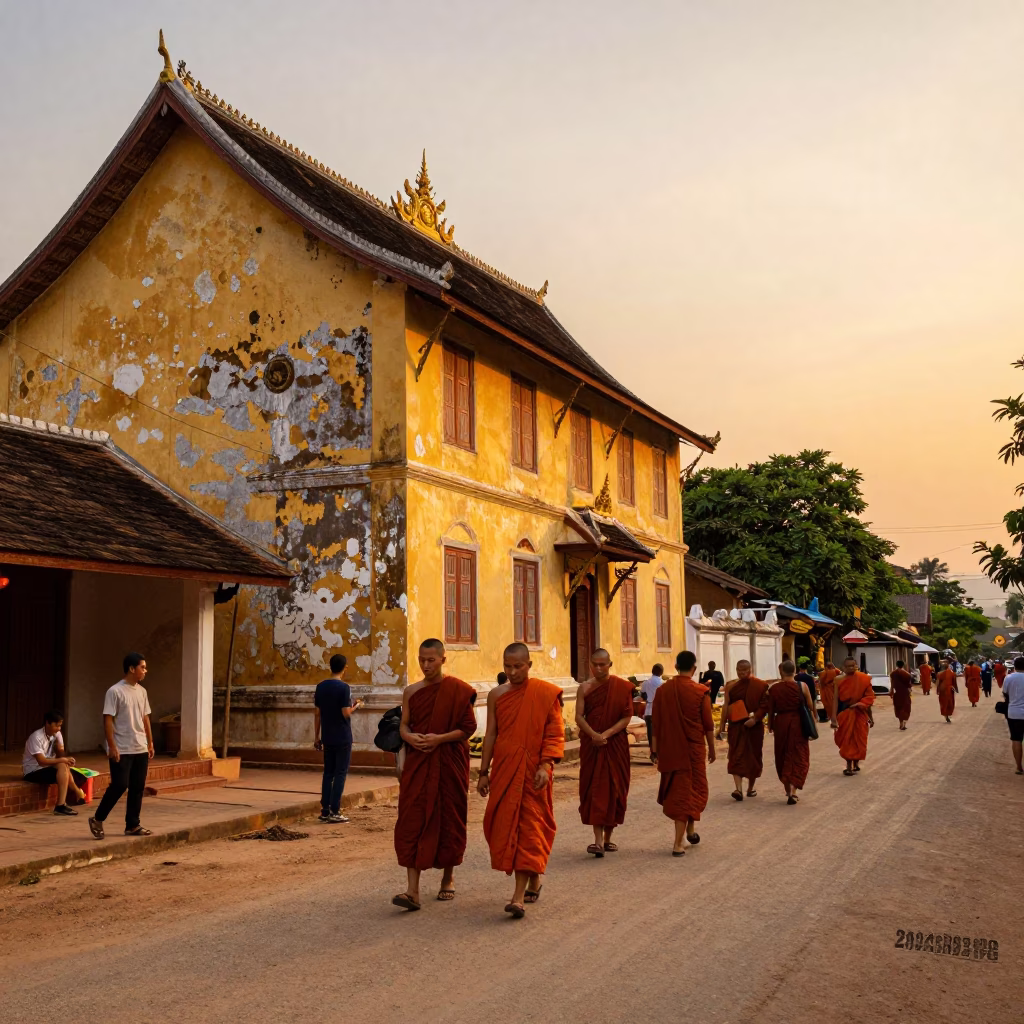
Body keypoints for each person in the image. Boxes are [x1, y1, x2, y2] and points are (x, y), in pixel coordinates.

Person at [478, 643, 564, 919]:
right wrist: (483, 771)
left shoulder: (544, 694)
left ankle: (517, 897)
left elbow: (554, 732)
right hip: (505, 769)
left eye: (518, 666)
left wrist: (546, 764)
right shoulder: (496, 695)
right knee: (505, 825)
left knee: (529, 828)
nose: (513, 672)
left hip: (534, 772)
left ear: (529, 665)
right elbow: (491, 734)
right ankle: (533, 879)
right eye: (508, 666)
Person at [391, 639, 477, 911]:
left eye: (431, 660)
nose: (426, 665)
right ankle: (412, 891)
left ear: (443, 659)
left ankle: (448, 877)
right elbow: (403, 727)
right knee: (411, 819)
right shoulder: (412, 691)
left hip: (448, 762)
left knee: (449, 819)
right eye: (422, 660)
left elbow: (467, 728)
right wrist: (410, 738)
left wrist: (438, 739)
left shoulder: (458, 690)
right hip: (419, 763)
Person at [651, 650, 715, 855]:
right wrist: (712, 749)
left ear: (676, 667)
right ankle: (678, 843)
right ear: (694, 669)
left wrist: (654, 749)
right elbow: (708, 725)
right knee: (686, 794)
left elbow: (656, 723)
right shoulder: (700, 692)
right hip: (693, 749)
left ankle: (690, 829)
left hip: (670, 749)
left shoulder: (662, 691)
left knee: (685, 792)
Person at [88, 653, 155, 840]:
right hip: (122, 747)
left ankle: (133, 825)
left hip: (140, 746)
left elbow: (145, 717)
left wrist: (150, 742)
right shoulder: (115, 691)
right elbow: (108, 719)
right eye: (142, 667)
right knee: (119, 785)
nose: (145, 671)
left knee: (137, 787)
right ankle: (97, 818)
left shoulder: (142, 692)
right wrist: (112, 746)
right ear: (132, 669)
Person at [575, 649, 633, 857]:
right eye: (595, 665)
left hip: (614, 743)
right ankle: (598, 841)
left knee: (616, 788)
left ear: (610, 664)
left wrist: (606, 734)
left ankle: (608, 838)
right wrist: (593, 735)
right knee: (595, 789)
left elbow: (626, 717)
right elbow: (579, 717)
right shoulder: (585, 688)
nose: (598, 668)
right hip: (593, 744)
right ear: (590, 665)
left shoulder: (622, 687)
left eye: (603, 664)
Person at [314, 654, 363, 824]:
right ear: (345, 668)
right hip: (342, 736)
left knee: (328, 773)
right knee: (340, 773)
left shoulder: (320, 687)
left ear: (330, 667)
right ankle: (335, 810)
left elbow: (317, 714)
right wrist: (356, 706)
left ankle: (325, 810)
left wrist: (316, 736)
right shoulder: (344, 688)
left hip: (327, 736)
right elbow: (345, 712)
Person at [716, 659, 768, 800]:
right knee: (735, 755)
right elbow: (726, 706)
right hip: (736, 726)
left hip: (754, 727)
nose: (741, 673)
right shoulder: (731, 686)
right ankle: (738, 789)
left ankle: (750, 788)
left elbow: (765, 705)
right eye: (739, 670)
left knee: (754, 757)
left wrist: (755, 718)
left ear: (750, 670)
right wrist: (722, 725)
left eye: (744, 671)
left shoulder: (760, 685)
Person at [22, 710, 88, 815]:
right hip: (34, 771)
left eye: (60, 726)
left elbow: (61, 753)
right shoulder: (36, 737)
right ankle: (62, 804)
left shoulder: (57, 734)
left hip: (49, 767)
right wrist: (62, 760)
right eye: (56, 726)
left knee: (75, 773)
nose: (59, 729)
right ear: (47, 723)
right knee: (62, 766)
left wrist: (65, 757)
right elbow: (42, 762)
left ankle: (73, 796)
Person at [766, 660, 814, 804]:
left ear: (781, 671)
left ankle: (787, 790)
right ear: (795, 671)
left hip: (781, 722)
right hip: (798, 722)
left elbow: (771, 710)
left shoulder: (773, 689)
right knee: (798, 754)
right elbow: (810, 706)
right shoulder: (802, 686)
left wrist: (770, 725)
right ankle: (793, 791)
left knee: (782, 753)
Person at [831, 657, 875, 776]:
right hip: (845, 713)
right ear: (843, 668)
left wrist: (870, 717)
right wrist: (833, 718)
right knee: (846, 740)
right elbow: (835, 699)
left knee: (859, 740)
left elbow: (869, 698)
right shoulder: (838, 680)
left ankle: (855, 763)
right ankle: (848, 765)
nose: (851, 668)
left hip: (860, 712)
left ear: (857, 666)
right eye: (848, 666)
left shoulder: (864, 679)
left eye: (853, 665)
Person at [1001, 656, 1024, 775]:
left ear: (1014, 666)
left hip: (1014, 713)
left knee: (1016, 739)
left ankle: (1019, 767)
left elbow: (1005, 694)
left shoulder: (1009, 678)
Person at [641, 664, 665, 750]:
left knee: (650, 731)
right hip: (660, 710)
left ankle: (652, 750)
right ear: (662, 672)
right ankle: (659, 750)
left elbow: (643, 695)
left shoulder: (646, 683)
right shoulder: (663, 684)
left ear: (652, 671)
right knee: (659, 731)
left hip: (648, 710)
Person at [890, 660, 913, 731]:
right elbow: (909, 685)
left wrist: (891, 691)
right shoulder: (907, 674)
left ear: (896, 665)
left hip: (897, 692)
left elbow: (892, 683)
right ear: (903, 665)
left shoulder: (893, 673)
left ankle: (900, 722)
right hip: (905, 693)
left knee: (898, 707)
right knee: (906, 707)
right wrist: (910, 691)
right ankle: (904, 724)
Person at [936, 658, 958, 723]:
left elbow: (938, 683)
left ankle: (946, 716)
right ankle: (948, 715)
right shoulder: (952, 673)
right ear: (948, 667)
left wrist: (938, 690)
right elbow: (954, 682)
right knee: (950, 703)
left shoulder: (939, 674)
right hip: (950, 690)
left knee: (943, 703)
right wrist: (956, 689)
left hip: (943, 690)